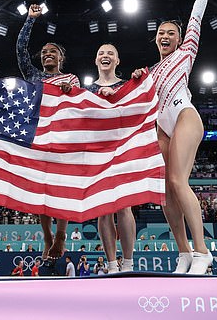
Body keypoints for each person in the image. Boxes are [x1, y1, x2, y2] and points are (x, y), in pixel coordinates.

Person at [133, 0, 217, 275]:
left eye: (171, 33)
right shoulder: (149, 71)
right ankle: (184, 253)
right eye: (161, 33)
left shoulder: (186, 53)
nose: (165, 36)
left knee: (178, 181)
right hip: (162, 127)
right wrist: (134, 82)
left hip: (185, 116)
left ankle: (202, 252)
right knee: (165, 193)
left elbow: (195, 20)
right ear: (155, 38)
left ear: (178, 39)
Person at [16, 3, 80, 265]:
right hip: (37, 136)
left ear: (61, 58)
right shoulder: (32, 76)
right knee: (41, 192)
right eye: (43, 52)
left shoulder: (72, 78)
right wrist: (30, 20)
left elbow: (80, 105)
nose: (47, 55)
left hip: (62, 137)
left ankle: (62, 234)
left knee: (59, 189)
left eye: (52, 51)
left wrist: (70, 91)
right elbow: (20, 51)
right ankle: (46, 236)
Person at [83, 43, 134, 274]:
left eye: (110, 53)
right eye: (101, 53)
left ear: (117, 60)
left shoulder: (127, 86)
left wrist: (117, 99)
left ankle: (128, 262)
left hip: (121, 148)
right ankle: (112, 264)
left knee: (124, 206)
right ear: (95, 60)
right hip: (97, 152)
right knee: (104, 208)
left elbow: (135, 115)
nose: (105, 56)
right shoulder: (85, 90)